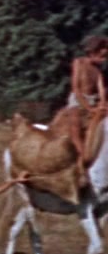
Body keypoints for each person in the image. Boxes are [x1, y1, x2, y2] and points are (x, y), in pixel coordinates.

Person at [50, 35, 108, 168]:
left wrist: (102, 103)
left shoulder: (98, 71)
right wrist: (88, 107)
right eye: (102, 55)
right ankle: (83, 156)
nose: (104, 59)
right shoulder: (79, 63)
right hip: (78, 99)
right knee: (75, 126)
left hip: (94, 99)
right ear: (93, 52)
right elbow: (76, 88)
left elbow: (100, 89)